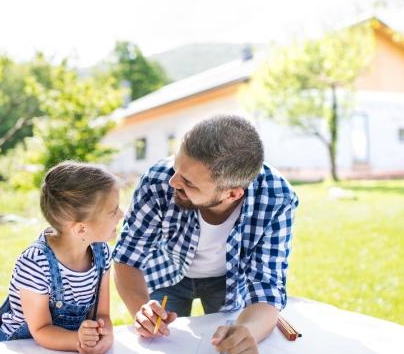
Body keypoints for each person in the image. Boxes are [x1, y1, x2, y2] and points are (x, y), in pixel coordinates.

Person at [113, 115, 299, 354]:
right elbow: (127, 257)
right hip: (167, 269)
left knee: (222, 337)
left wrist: (247, 332)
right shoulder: (157, 180)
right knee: (163, 344)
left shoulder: (277, 198)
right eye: (176, 167)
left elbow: (267, 288)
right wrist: (141, 309)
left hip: (229, 280)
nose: (172, 182)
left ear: (232, 194)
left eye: (189, 183)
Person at [0, 161, 123, 354]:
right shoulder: (36, 263)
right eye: (113, 211)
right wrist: (78, 341)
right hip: (24, 346)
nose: (121, 214)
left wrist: (105, 333)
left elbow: (101, 314)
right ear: (81, 229)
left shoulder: (101, 253)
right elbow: (40, 330)